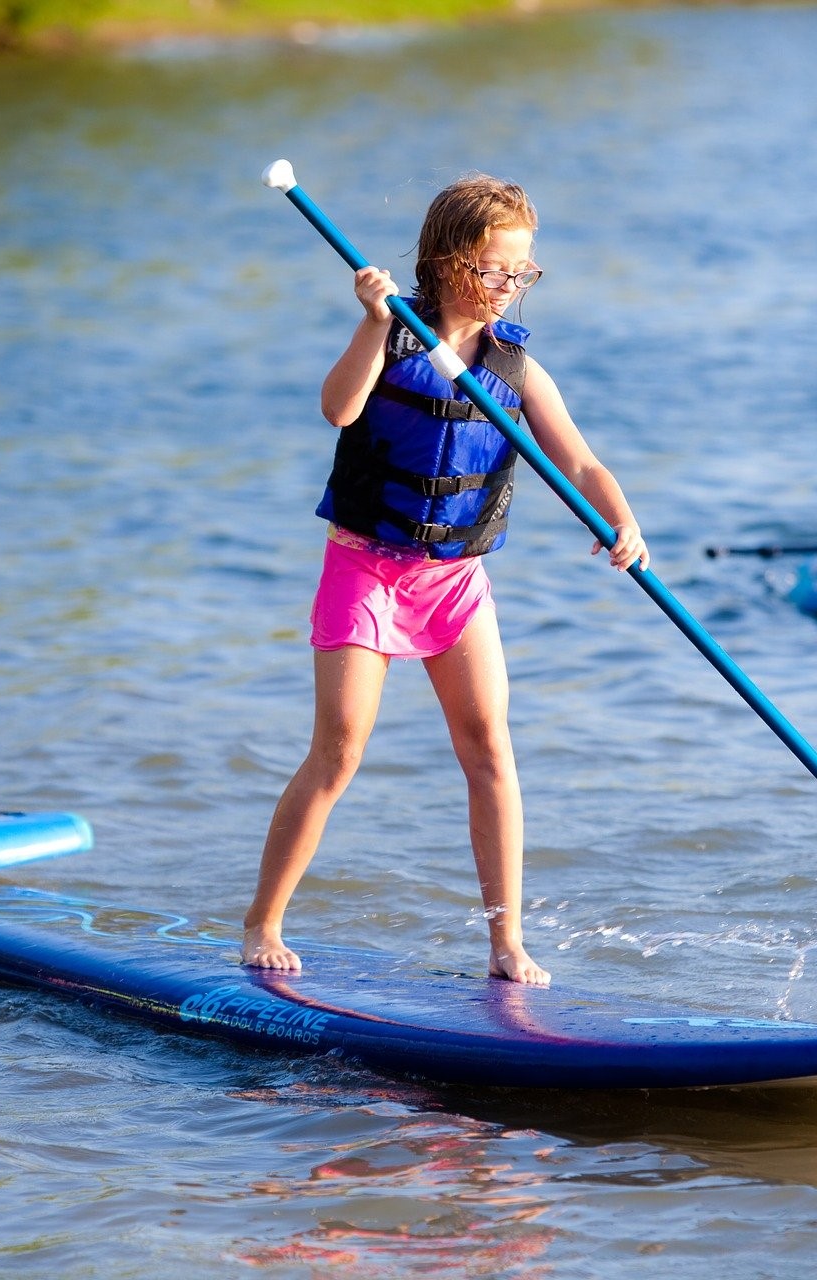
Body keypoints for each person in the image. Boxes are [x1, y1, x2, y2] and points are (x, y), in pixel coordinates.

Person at [242, 174, 648, 987]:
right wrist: (369, 322)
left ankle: (506, 943)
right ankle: (263, 923)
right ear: (447, 262)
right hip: (365, 566)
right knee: (340, 749)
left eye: (522, 273)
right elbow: (339, 409)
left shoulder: (516, 367)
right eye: (496, 270)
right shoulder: (392, 333)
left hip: (455, 580)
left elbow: (580, 459)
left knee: (491, 750)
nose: (509, 287)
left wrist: (623, 520)